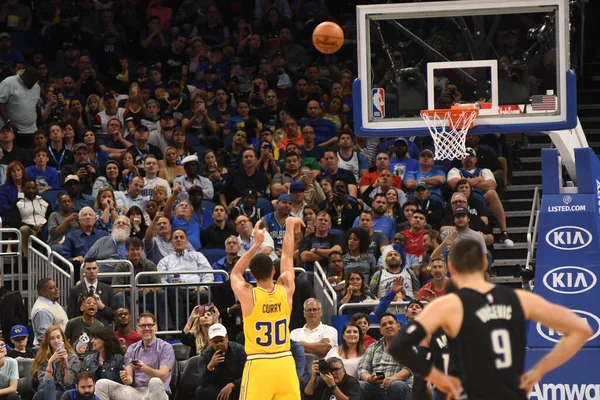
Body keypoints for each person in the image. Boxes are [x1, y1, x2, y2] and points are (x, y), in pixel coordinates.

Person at [390, 238, 593, 399]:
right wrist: (538, 371)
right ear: (485, 263)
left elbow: (399, 346)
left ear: (450, 267)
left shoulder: (447, 305)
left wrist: (437, 378)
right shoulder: (520, 298)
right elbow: (581, 330)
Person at [230, 217, 304, 399]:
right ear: (273, 270)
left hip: (259, 363)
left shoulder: (249, 295)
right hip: (285, 362)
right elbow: (286, 256)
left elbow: (235, 273)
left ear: (252, 274)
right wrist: (288, 226)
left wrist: (256, 244)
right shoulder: (286, 289)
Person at [94, 313, 175, 400]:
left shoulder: (165, 347)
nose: (147, 328)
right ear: (137, 329)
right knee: (101, 384)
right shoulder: (132, 348)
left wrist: (144, 368)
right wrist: (126, 378)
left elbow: (163, 376)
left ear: (156, 328)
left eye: (150, 325)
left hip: (156, 391)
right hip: (135, 392)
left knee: (155, 381)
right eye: (143, 326)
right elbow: (129, 379)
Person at [357, 312, 412, 400]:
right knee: (358, 385)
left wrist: (393, 379)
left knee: (396, 385)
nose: (388, 326)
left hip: (399, 386)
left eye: (391, 323)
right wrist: (369, 378)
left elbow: (410, 368)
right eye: (384, 325)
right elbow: (362, 369)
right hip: (376, 387)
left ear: (398, 326)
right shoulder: (373, 347)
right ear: (380, 331)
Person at [195, 324, 247, 400]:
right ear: (210, 341)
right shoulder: (206, 355)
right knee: (201, 391)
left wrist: (232, 385)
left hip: (237, 387)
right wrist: (210, 367)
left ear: (227, 338)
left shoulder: (239, 350)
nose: (219, 344)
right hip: (217, 389)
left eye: (221, 340)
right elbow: (202, 383)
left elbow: (248, 375)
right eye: (215, 342)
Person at [32, 325, 80, 400]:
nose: (56, 341)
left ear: (63, 339)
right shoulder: (43, 357)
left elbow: (69, 384)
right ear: (48, 341)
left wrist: (66, 365)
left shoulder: (72, 357)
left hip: (64, 390)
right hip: (46, 389)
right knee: (43, 392)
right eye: (52, 338)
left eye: (58, 337)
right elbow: (44, 383)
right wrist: (50, 362)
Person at [9, 178, 51, 258]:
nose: (31, 190)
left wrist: (43, 227)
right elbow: (15, 222)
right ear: (22, 189)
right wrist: (33, 227)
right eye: (28, 188)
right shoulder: (17, 203)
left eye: (33, 188)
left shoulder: (45, 201)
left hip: (44, 230)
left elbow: (51, 218)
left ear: (36, 188)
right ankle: (26, 257)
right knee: (24, 229)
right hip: (30, 231)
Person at [67, 259, 117, 326]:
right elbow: (71, 315)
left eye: (94, 268)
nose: (92, 271)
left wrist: (103, 307)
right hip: (82, 330)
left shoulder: (108, 289)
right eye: (88, 269)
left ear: (98, 270)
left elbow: (114, 315)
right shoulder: (75, 290)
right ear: (83, 271)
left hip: (103, 331)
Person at [65, 293, 105, 359]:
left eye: (95, 304)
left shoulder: (100, 326)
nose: (92, 304)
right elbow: (65, 341)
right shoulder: (72, 323)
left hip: (92, 360)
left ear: (96, 309)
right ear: (82, 307)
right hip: (75, 359)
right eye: (89, 303)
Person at [31, 279, 69, 345]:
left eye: (55, 287)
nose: (56, 289)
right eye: (51, 288)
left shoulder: (52, 303)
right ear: (43, 292)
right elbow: (44, 336)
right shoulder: (42, 311)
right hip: (51, 350)